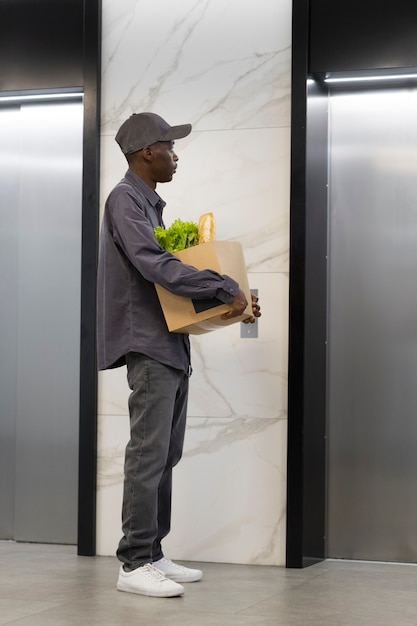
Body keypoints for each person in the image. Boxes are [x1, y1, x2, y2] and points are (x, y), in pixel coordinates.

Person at [97, 112, 261, 598]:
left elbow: (172, 279)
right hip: (147, 345)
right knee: (148, 455)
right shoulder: (125, 201)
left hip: (168, 343)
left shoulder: (149, 205)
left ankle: (153, 552)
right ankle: (132, 563)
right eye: (170, 146)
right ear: (147, 151)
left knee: (166, 454)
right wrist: (223, 285)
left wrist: (233, 302)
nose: (175, 154)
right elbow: (157, 265)